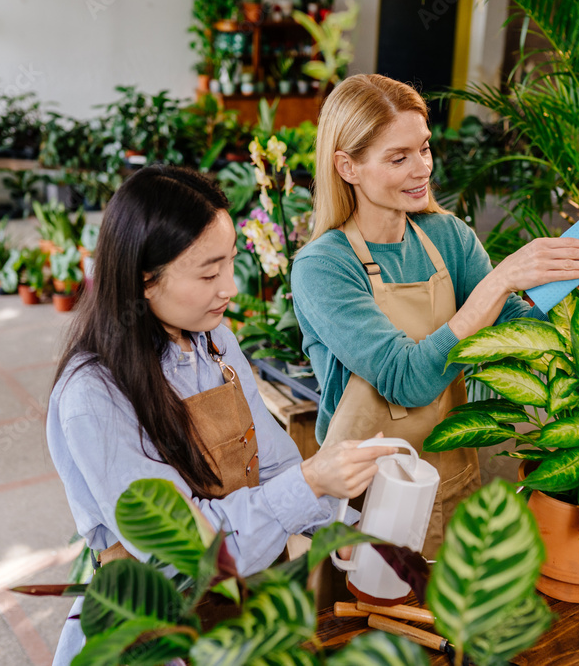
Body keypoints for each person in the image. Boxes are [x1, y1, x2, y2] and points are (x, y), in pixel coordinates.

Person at [46, 166, 395, 664]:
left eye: (231, 263)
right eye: (209, 273)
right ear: (144, 280)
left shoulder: (215, 341)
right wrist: (313, 482)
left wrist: (345, 531)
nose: (228, 288)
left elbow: (273, 466)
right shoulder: (94, 395)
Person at [291, 74, 579, 556]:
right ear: (347, 167)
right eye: (399, 158)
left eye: (424, 148)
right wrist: (500, 279)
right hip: (367, 493)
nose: (422, 169)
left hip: (448, 472)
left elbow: (517, 336)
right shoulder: (323, 267)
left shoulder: (448, 237)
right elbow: (406, 380)